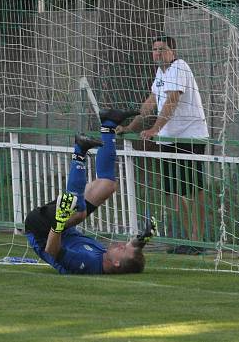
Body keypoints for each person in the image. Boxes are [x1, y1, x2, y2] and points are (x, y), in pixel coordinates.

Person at [25, 112, 154, 274]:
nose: (122, 244)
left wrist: (59, 221)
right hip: (63, 225)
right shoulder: (107, 258)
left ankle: (79, 152)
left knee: (79, 213)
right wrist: (142, 240)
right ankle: (109, 125)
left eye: (122, 249)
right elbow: (131, 250)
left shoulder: (87, 264)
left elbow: (51, 250)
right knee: (107, 185)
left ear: (116, 263)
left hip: (42, 230)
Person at [115, 36, 209, 255]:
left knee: (193, 190)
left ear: (172, 51)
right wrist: (130, 126)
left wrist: (154, 129)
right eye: (154, 49)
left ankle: (199, 240)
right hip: (169, 139)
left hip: (190, 137)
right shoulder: (160, 73)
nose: (157, 53)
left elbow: (172, 101)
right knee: (173, 191)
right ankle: (189, 239)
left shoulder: (180, 67)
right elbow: (150, 103)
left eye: (162, 49)